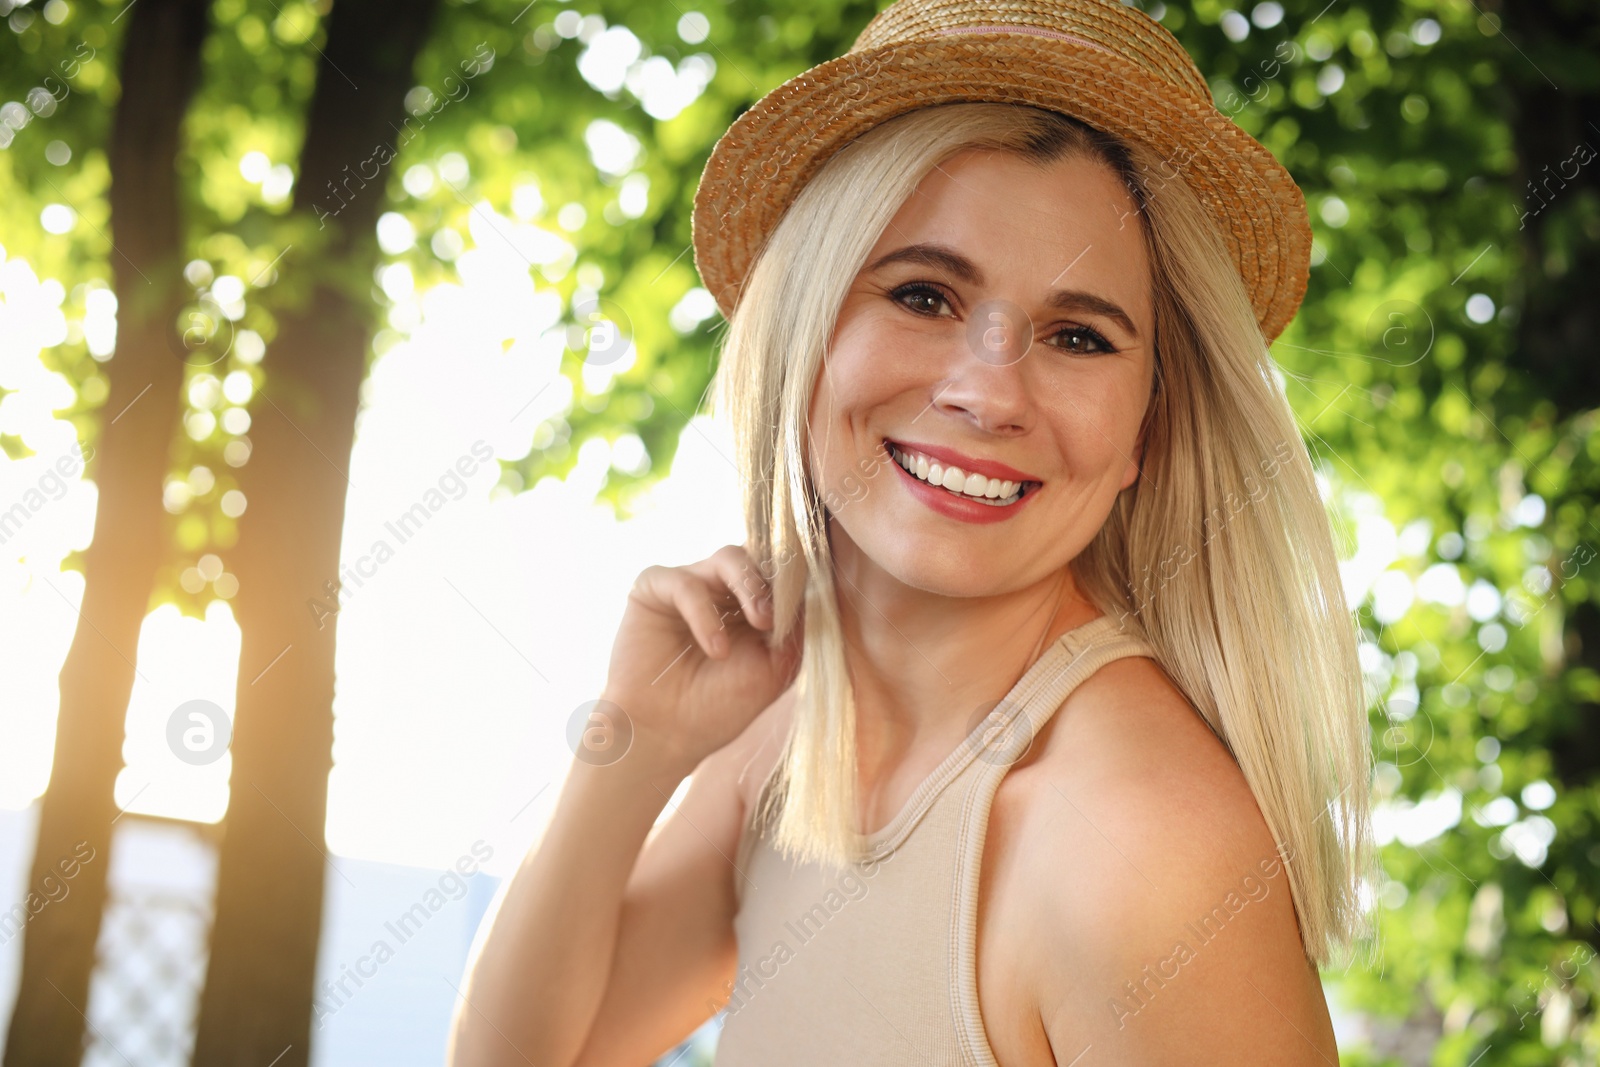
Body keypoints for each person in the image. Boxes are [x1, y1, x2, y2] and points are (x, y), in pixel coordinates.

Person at [447, 1, 1374, 1064]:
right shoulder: (785, 735)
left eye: (1077, 336)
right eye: (925, 294)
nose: (987, 392)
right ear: (807, 335)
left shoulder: (1138, 843)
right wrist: (631, 744)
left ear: (1143, 435)